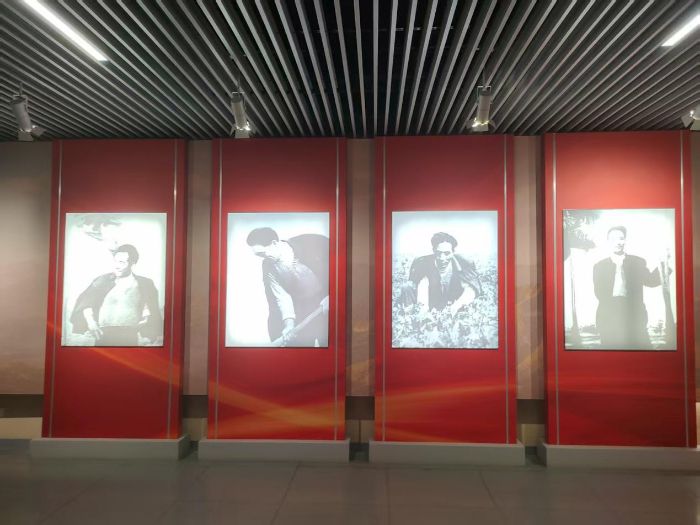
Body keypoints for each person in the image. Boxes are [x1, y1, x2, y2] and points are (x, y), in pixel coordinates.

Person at [246, 227, 329, 347]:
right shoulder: (268, 266)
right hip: (302, 308)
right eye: (259, 256)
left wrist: (332, 294)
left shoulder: (311, 242)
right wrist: (289, 325)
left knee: (330, 346)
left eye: (263, 253)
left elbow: (340, 266)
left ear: (274, 243)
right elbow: (282, 297)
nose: (263, 258)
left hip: (328, 299)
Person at [70, 244, 162, 346]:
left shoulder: (145, 284)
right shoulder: (102, 280)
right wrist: (91, 322)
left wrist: (146, 321)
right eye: (115, 261)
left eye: (121, 262)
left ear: (132, 263)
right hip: (102, 334)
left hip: (130, 335)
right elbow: (85, 302)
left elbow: (151, 309)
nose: (117, 266)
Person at [593, 226, 661, 349]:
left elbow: (651, 281)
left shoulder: (637, 262)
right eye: (613, 239)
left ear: (625, 240)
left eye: (621, 238)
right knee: (610, 354)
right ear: (608, 241)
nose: (618, 242)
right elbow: (599, 293)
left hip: (634, 314)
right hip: (608, 315)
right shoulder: (599, 266)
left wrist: (665, 265)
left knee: (639, 351)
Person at [401, 232, 481, 314]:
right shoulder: (423, 262)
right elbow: (422, 285)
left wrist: (456, 306)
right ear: (433, 251)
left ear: (453, 252)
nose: (442, 258)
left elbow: (471, 290)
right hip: (432, 299)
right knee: (407, 287)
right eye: (438, 253)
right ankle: (408, 315)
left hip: (454, 299)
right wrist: (423, 310)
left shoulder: (464, 262)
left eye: (447, 253)